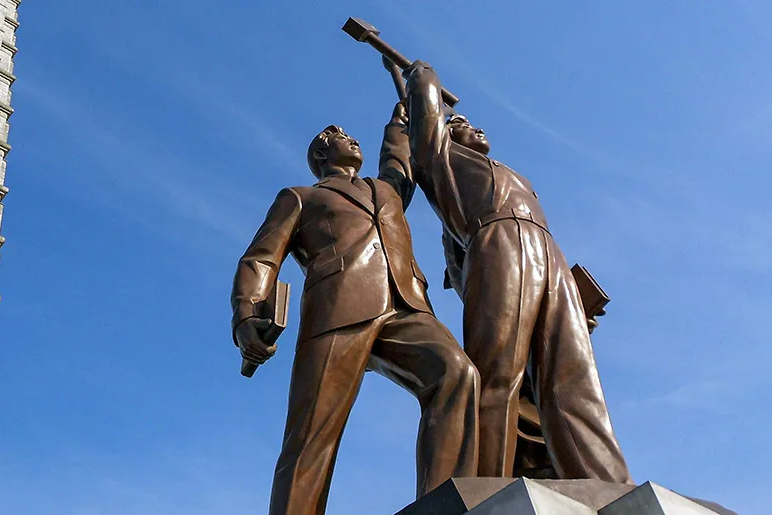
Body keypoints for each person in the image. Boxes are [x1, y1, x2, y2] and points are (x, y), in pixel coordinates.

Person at [231, 103, 479, 514]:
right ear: (322, 155)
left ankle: (444, 503)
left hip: (405, 305)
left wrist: (402, 118)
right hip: (337, 310)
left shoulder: (386, 191)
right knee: (312, 433)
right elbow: (261, 258)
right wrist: (247, 314)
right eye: (339, 135)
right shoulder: (301, 197)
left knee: (457, 374)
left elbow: (398, 158)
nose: (351, 137)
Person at [399, 60, 632, 483]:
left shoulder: (506, 171)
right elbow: (425, 131)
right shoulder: (442, 161)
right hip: (498, 239)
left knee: (574, 378)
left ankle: (607, 485)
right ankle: (487, 485)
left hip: (546, 249)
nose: (477, 128)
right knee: (497, 373)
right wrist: (421, 79)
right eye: (463, 124)